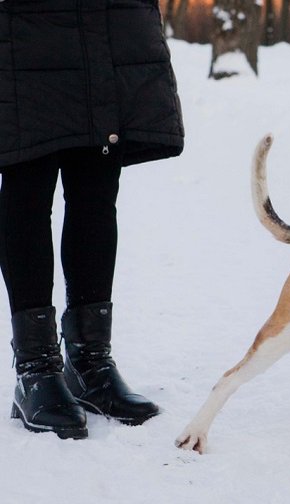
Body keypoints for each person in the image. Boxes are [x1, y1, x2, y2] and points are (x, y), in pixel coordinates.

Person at [0, 0, 184, 439]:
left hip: (108, 22)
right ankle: (36, 369)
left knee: (97, 191)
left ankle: (90, 362)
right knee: (28, 179)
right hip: (27, 32)